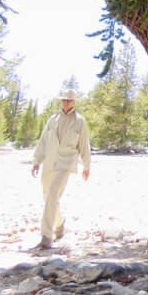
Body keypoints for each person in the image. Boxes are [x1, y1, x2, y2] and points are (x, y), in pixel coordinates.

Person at [31, 89, 91, 249]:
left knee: (52, 195)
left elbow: (84, 145)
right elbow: (43, 141)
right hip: (49, 162)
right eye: (64, 100)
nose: (66, 103)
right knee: (48, 197)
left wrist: (86, 165)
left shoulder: (80, 121)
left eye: (69, 100)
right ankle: (59, 224)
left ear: (74, 102)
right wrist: (36, 160)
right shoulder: (52, 119)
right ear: (60, 101)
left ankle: (46, 237)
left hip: (65, 164)